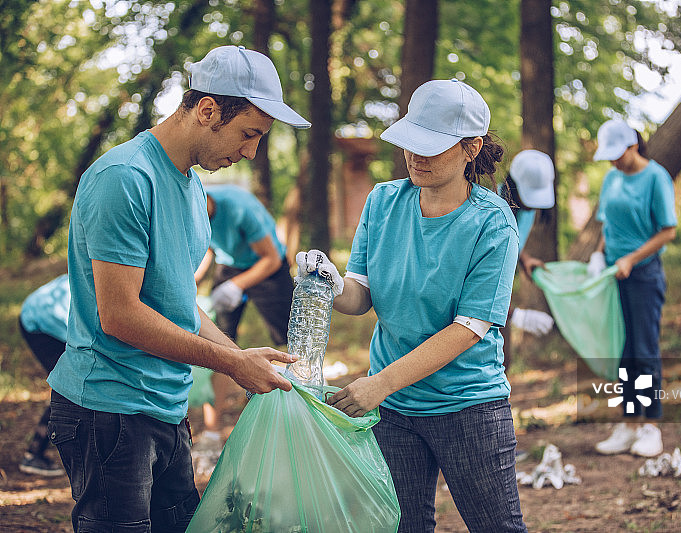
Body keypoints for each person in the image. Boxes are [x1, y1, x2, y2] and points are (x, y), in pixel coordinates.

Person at [46, 45, 308, 532]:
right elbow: (120, 315)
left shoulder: (193, 188)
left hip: (166, 406)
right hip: (109, 408)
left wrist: (239, 354)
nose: (251, 151)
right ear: (207, 109)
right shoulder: (124, 178)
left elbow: (177, 302)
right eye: (248, 133)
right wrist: (232, 364)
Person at [299, 79, 527, 532]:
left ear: (471, 148)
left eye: (432, 146)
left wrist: (379, 384)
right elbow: (359, 297)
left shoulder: (493, 223)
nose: (416, 156)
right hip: (394, 410)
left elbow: (467, 330)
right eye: (410, 143)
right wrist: (326, 278)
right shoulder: (383, 201)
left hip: (468, 407)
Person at [589, 119, 677, 458]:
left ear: (633, 146)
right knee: (623, 351)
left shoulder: (656, 177)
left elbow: (667, 231)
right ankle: (627, 423)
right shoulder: (612, 177)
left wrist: (630, 259)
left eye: (617, 154)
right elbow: (608, 224)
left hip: (643, 275)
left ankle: (650, 426)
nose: (612, 161)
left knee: (644, 350)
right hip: (614, 275)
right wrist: (599, 254)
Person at [194, 184, 293, 345]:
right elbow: (208, 249)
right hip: (230, 264)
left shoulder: (239, 208)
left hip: (266, 265)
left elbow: (271, 259)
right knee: (219, 336)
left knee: (288, 335)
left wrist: (235, 285)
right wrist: (193, 280)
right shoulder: (193, 216)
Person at [499, 150, 557, 367]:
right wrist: (516, 316)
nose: (534, 204)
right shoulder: (492, 212)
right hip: (484, 307)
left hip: (501, 299)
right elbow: (475, 281)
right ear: (512, 185)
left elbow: (510, 243)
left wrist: (524, 258)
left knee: (505, 361)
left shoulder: (527, 210)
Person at [17, 274, 70, 477]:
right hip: (40, 321)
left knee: (69, 383)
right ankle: (34, 454)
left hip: (38, 311)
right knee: (67, 384)